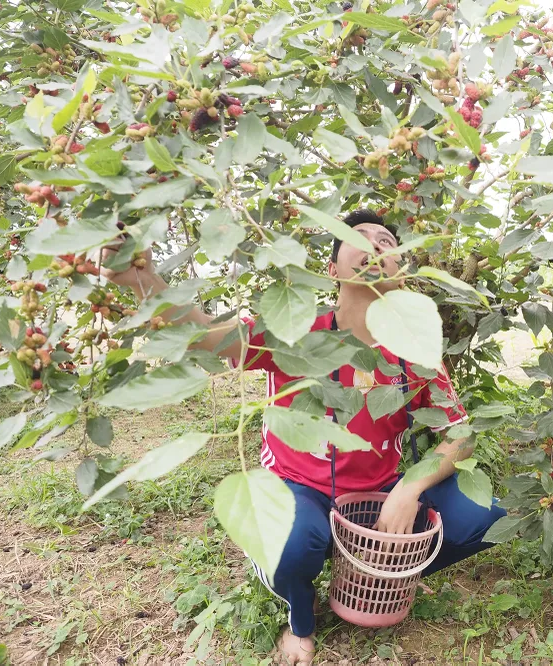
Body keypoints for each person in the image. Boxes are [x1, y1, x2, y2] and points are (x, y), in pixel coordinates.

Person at [102, 210, 506, 665]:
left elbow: (460, 435)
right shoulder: (296, 333)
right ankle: (298, 609)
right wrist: (141, 280)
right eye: (359, 237)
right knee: (291, 545)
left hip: (378, 491)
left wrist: (410, 489)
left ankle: (384, 571)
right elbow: (209, 339)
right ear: (332, 270)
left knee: (483, 517)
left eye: (387, 240)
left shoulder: (416, 352)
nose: (376, 244)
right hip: (299, 485)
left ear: (402, 272)